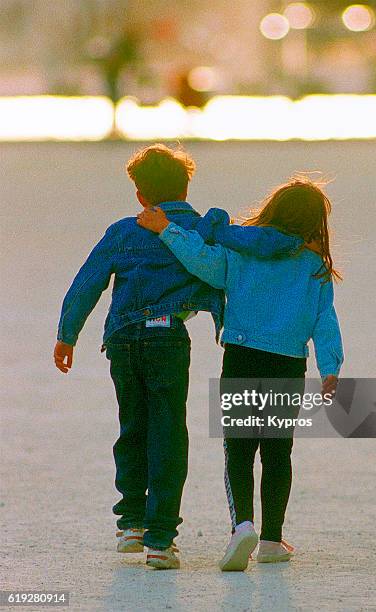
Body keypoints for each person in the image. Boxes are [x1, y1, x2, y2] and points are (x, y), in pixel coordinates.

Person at [53, 144, 301, 569]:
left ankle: (131, 520)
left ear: (139, 194)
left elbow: (86, 283)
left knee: (132, 426)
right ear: (186, 186)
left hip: (123, 340)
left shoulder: (123, 230)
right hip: (168, 339)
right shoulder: (200, 228)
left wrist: (66, 335)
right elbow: (254, 246)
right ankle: (160, 540)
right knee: (167, 434)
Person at [137, 175, 344, 571]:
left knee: (239, 449)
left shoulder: (241, 251)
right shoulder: (313, 265)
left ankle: (242, 525)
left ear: (272, 211)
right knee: (278, 452)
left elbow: (203, 261)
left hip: (241, 356)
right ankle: (270, 540)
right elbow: (324, 320)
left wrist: (167, 230)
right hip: (287, 363)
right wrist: (330, 367)